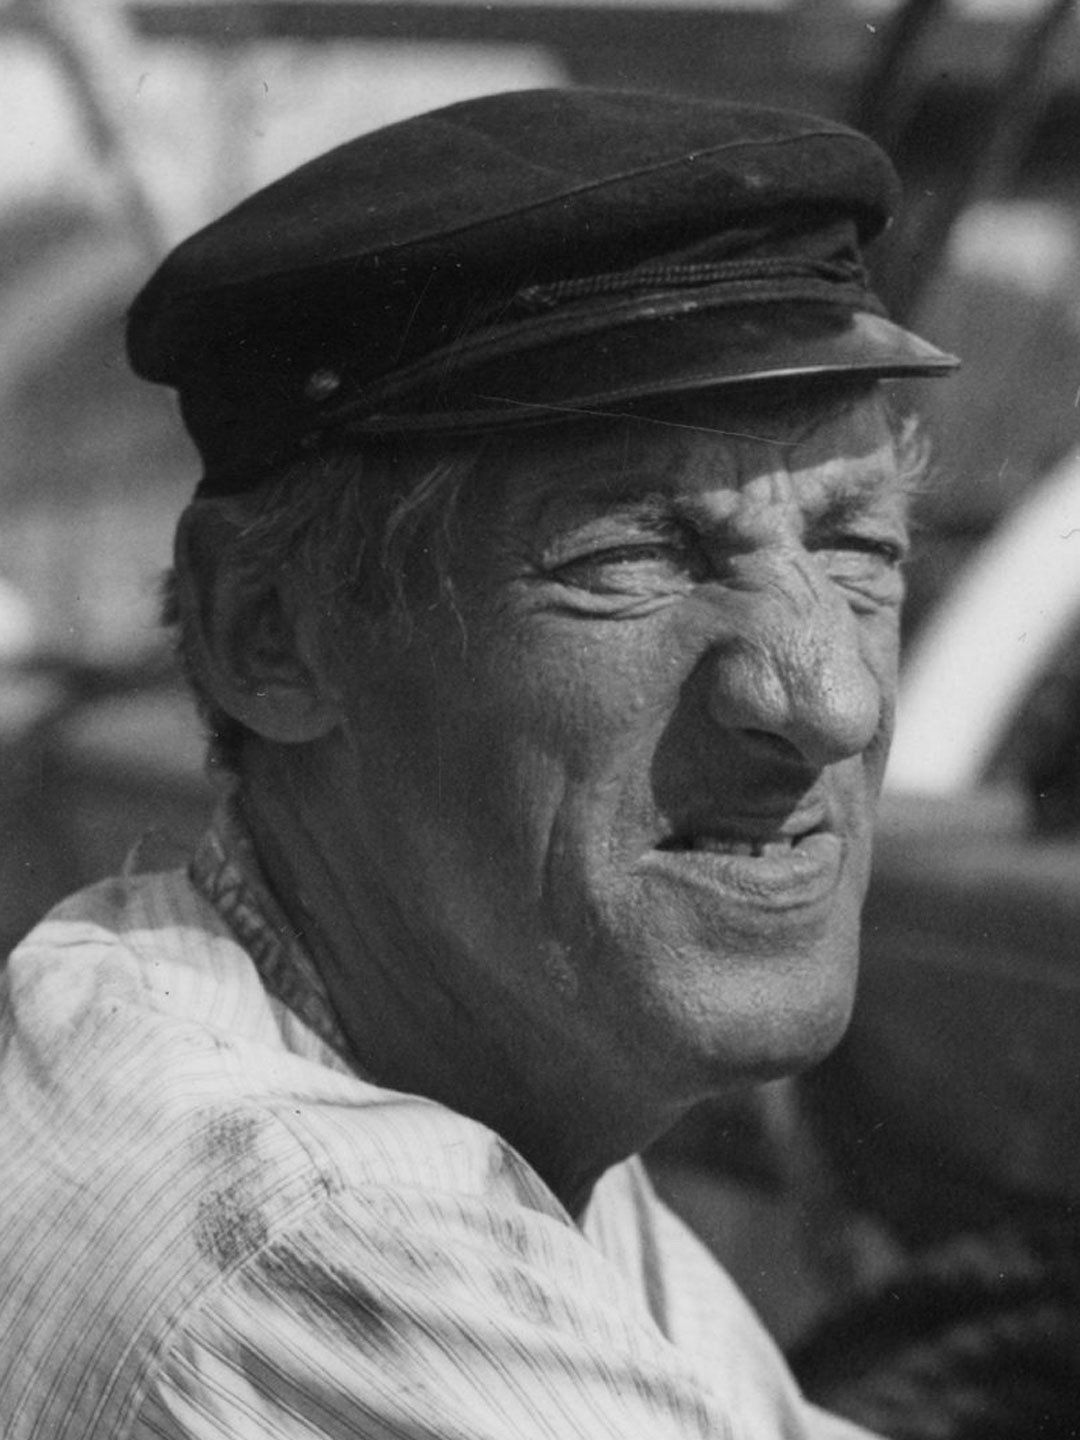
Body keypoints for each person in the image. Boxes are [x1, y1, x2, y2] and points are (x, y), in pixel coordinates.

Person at [0, 87, 956, 1439]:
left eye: (856, 546)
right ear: (267, 631)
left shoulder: (487, 1086)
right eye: (633, 554)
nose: (831, 700)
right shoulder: (306, 1239)